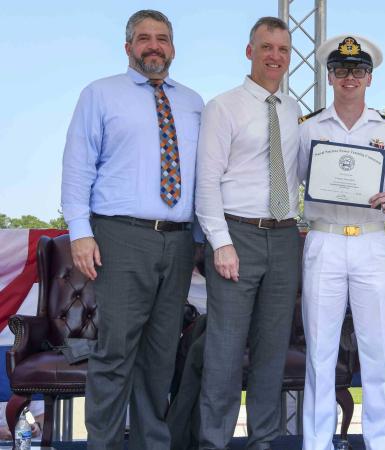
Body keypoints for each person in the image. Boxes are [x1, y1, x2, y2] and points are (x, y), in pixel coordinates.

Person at [60, 9, 203, 449]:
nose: (153, 46)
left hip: (179, 242)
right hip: (121, 236)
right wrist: (80, 232)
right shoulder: (100, 94)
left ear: (173, 48)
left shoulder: (194, 102)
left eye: (162, 38)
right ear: (128, 48)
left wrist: (202, 240)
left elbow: (204, 176)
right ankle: (101, 444)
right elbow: (77, 166)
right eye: (144, 38)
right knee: (115, 352)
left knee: (160, 356)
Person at [297, 34, 385, 450]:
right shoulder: (309, 127)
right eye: (342, 70)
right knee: (320, 352)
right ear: (330, 75)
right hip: (325, 240)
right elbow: (294, 180)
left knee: (375, 352)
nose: (350, 77)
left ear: (370, 77)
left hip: (370, 242)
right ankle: (317, 442)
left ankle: (380, 443)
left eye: (358, 70)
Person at [195, 17, 302, 450]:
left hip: (285, 236)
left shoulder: (295, 110)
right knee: (223, 352)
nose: (274, 56)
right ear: (249, 51)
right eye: (266, 47)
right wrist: (220, 243)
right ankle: (213, 443)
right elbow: (207, 181)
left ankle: (263, 441)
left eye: (282, 49)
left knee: (271, 352)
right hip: (237, 235)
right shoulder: (223, 107)